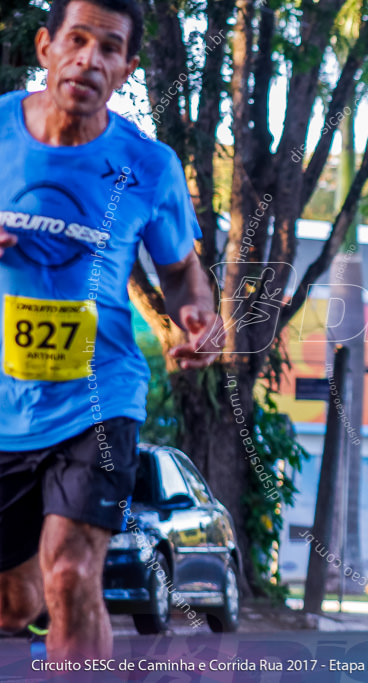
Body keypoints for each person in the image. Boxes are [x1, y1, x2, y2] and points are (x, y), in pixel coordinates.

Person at [0, 0, 221, 660]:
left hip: (98, 396)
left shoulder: (148, 165)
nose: (88, 59)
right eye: (77, 40)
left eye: (108, 47)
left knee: (72, 572)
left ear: (127, 67)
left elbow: (184, 270)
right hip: (6, 401)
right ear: (45, 47)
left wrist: (198, 314)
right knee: (16, 600)